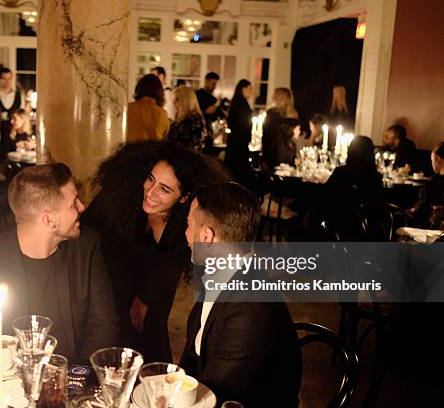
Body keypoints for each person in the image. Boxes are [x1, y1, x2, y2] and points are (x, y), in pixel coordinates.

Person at [82, 141, 230, 362]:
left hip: (155, 297)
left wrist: (146, 297)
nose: (150, 192)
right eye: (151, 179)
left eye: (165, 189)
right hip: (112, 289)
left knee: (150, 350)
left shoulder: (185, 227)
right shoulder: (120, 201)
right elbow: (87, 237)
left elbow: (168, 272)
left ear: (184, 197)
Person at [0, 163, 119, 361]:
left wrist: (75, 380)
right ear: (49, 220)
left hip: (76, 381)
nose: (82, 207)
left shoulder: (86, 245)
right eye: (73, 203)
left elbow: (103, 323)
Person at [180, 182, 301, 407]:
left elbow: (213, 396)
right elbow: (191, 354)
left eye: (188, 225)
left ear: (206, 236)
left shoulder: (249, 306)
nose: (185, 233)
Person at [324, 135, 383, 239]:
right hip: (368, 229)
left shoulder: (341, 173)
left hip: (340, 224)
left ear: (350, 151)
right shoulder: (376, 177)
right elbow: (378, 205)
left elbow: (325, 198)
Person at [410, 142, 444, 228]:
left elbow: (422, 209)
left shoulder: (434, 183)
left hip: (431, 227)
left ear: (438, 159)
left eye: (432, 160)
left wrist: (411, 211)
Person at [126, 74, 169, 142]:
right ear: (159, 92)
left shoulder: (128, 108)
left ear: (138, 88)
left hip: (130, 151)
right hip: (152, 152)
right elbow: (165, 140)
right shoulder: (162, 113)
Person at [262, 87, 299, 168]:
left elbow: (266, 136)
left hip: (274, 154)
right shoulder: (293, 116)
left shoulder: (272, 114)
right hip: (288, 155)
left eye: (274, 95)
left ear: (278, 98)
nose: (272, 98)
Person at [224, 79, 253, 182]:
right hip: (239, 141)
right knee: (238, 168)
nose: (251, 91)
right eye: (249, 88)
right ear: (242, 89)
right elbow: (243, 124)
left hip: (236, 140)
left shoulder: (237, 102)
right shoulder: (241, 104)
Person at [0, 67, 24, 154]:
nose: (7, 82)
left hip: (13, 135)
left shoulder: (17, 95)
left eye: (9, 79)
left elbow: (21, 115)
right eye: (4, 79)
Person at [167, 86, 207, 152]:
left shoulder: (192, 121)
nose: (174, 103)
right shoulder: (190, 119)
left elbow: (187, 147)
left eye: (177, 99)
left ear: (186, 100)